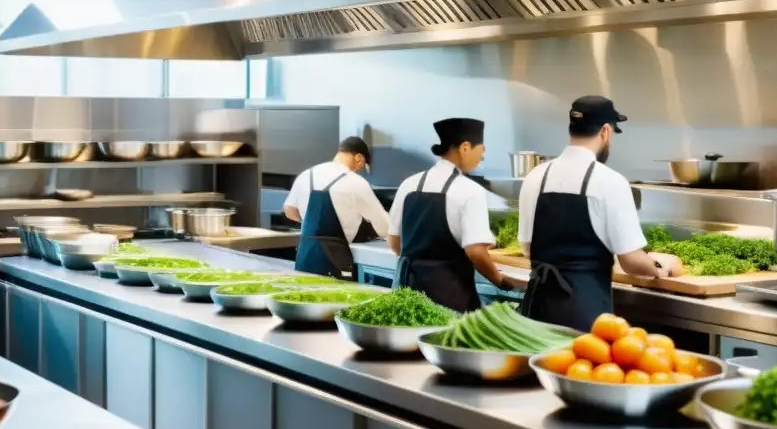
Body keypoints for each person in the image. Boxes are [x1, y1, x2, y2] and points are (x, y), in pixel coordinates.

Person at [517, 96, 672, 331]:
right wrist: (659, 268)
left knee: (538, 367)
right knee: (578, 368)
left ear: (571, 130)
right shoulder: (610, 181)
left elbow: (527, 247)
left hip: (536, 309)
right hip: (583, 313)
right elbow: (631, 262)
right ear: (605, 132)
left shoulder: (535, 176)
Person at [388, 118, 521, 312]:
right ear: (465, 147)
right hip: (448, 297)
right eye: (481, 151)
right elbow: (476, 251)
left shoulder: (409, 184)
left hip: (407, 293)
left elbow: (394, 241)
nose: (481, 158)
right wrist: (498, 279)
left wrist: (422, 266)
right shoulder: (469, 190)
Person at [284, 136, 389, 280]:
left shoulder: (306, 175)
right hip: (334, 260)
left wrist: (312, 221)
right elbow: (384, 227)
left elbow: (289, 211)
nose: (359, 170)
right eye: (362, 165)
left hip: (305, 257)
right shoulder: (356, 182)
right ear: (358, 157)